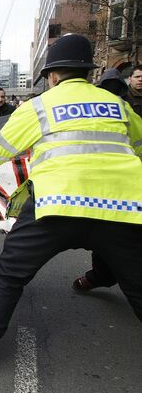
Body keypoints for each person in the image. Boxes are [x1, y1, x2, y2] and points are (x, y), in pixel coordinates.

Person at [0, 33, 142, 373]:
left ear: (53, 75)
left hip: (57, 203)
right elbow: (139, 143)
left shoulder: (39, 106)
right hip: (123, 206)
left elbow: (1, 148)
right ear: (88, 72)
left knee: (7, 275)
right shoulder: (118, 105)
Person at [71, 68, 130, 292]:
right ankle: (100, 275)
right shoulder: (117, 107)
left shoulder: (123, 108)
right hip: (99, 183)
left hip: (124, 185)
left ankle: (101, 276)